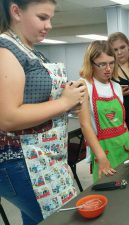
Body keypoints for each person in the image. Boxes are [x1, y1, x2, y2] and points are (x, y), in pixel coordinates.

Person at [0, 0, 86, 223]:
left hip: (44, 156)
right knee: (63, 220)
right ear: (16, 12)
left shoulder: (29, 51)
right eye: (42, 17)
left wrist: (69, 100)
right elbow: (8, 118)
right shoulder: (5, 51)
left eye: (51, 18)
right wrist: (64, 103)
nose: (49, 25)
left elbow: (38, 103)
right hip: (22, 159)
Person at [78, 40, 129, 182]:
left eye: (111, 63)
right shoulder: (84, 86)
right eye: (102, 64)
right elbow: (85, 125)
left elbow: (122, 123)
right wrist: (101, 157)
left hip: (124, 146)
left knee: (128, 186)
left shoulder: (116, 87)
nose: (108, 69)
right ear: (91, 63)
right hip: (103, 150)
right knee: (108, 188)